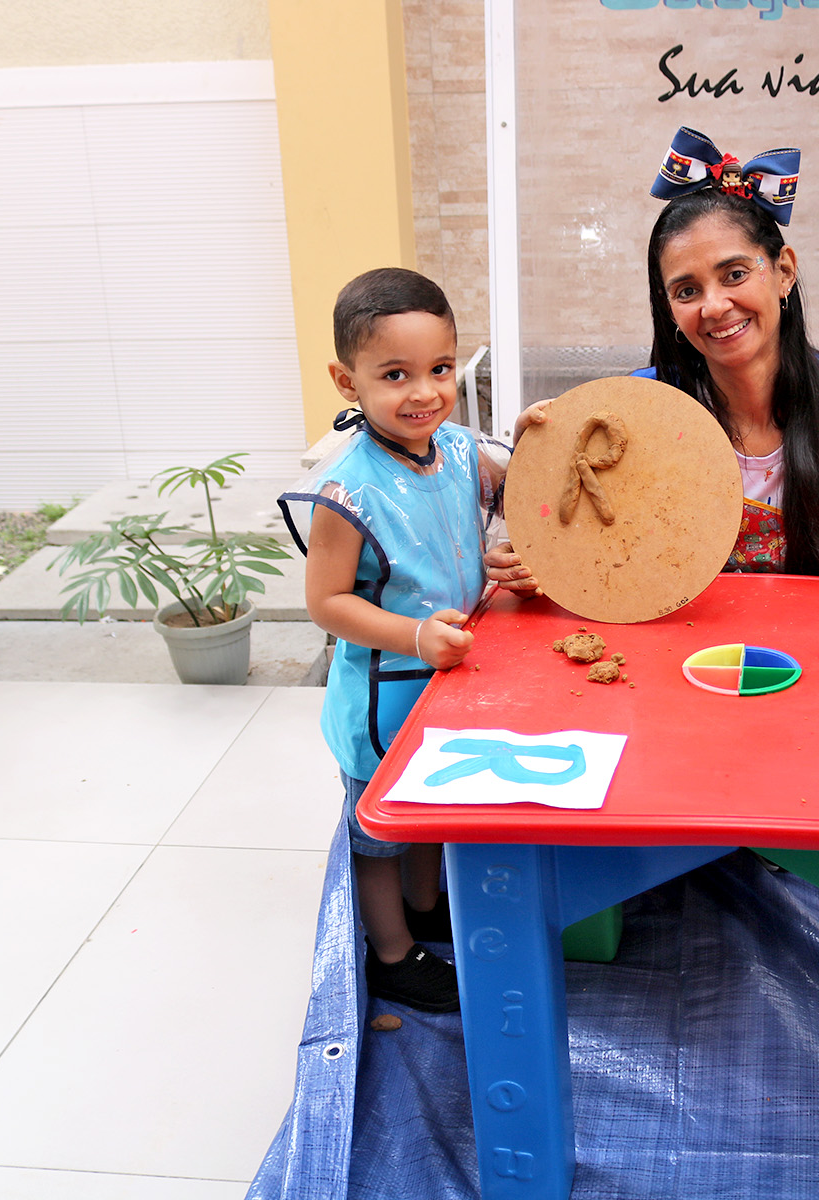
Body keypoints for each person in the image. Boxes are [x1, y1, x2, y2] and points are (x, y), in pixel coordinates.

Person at [487, 127, 819, 590]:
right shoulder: (640, 407)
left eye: (735, 274)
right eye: (687, 290)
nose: (714, 307)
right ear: (669, 309)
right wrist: (534, 488)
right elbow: (580, 559)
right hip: (681, 640)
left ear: (783, 272)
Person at [278, 268, 510, 1013]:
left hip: (449, 677)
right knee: (379, 833)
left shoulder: (459, 449)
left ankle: (425, 909)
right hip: (385, 695)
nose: (425, 393)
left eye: (440, 369)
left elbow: (521, 483)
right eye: (395, 375)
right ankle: (391, 952)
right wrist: (414, 633)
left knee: (429, 810)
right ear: (347, 381)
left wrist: (545, 438)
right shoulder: (347, 491)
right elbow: (326, 603)